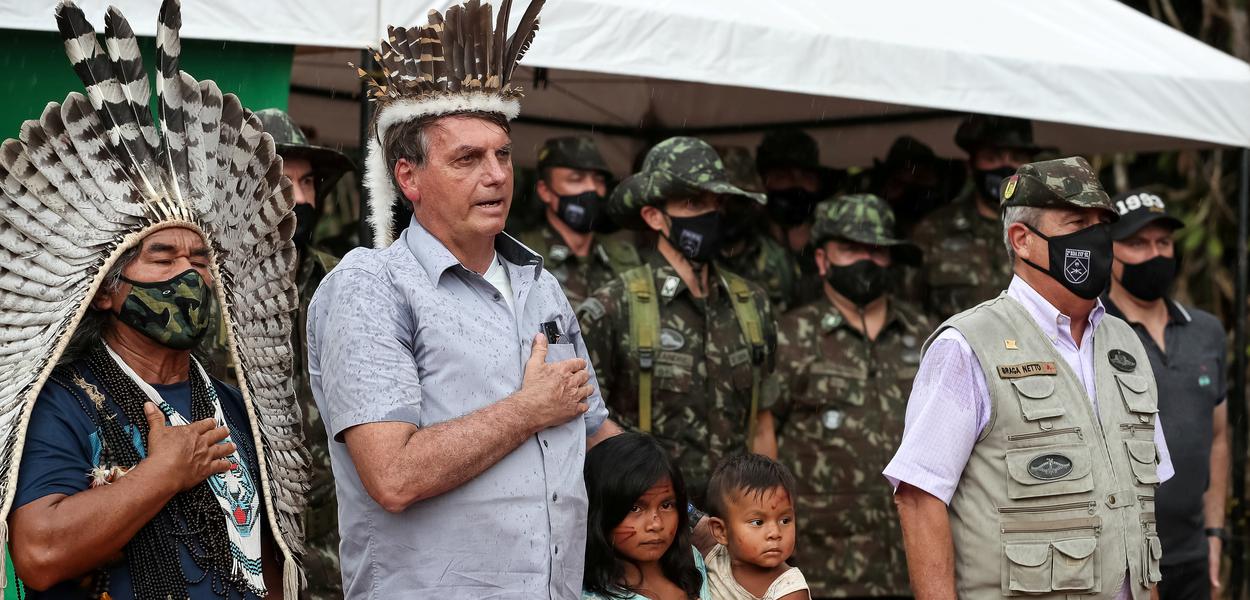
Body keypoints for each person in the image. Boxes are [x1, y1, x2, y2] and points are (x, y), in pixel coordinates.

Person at [307, 2, 619, 597]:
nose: (497, 174)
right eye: (467, 159)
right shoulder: (371, 286)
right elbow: (393, 476)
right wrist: (526, 410)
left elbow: (594, 430)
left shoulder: (538, 282)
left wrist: (696, 517)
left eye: (502, 154)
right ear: (409, 178)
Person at [2, 1, 309, 597]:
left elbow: (269, 559)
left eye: (200, 262)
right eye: (163, 260)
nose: (189, 278)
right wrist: (161, 476)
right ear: (106, 292)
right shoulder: (63, 405)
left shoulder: (230, 402)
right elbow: (38, 554)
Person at [884, 157, 1175, 599]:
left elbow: (1141, 510)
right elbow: (919, 497)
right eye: (1077, 222)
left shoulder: (1125, 345)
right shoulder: (968, 346)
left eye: (1102, 223)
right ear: (1022, 239)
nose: (1096, 238)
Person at [578, 137, 778, 504]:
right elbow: (586, 429)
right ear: (653, 216)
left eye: (717, 204)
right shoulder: (613, 307)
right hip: (651, 528)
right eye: (693, 203)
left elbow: (762, 424)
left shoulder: (752, 305)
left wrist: (763, 514)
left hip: (735, 526)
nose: (711, 215)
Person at [764, 195, 930, 599]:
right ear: (822, 260)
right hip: (822, 569)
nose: (865, 261)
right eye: (850, 249)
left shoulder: (928, 336)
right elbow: (762, 447)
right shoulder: (788, 337)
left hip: (916, 563)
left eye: (876, 251)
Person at [1103, 188, 1228, 599]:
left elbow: (1218, 437)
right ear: (1109, 252)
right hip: (1119, 560)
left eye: (1163, 243)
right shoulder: (1090, 334)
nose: (1154, 255)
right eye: (1137, 243)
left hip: (1192, 551)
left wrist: (1214, 533)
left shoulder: (1206, 331)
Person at [253, 108, 356, 599]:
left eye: (307, 181)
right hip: (236, 545)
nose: (299, 196)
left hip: (338, 548)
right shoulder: (201, 287)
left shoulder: (351, 283)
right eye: (281, 180)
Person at [910, 115, 1043, 321]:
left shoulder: (1049, 229)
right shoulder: (932, 232)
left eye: (1017, 158)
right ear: (971, 165)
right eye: (992, 158)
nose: (1006, 168)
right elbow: (908, 310)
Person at [582, 432, 710, 600]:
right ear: (602, 512)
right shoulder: (591, 596)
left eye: (666, 505)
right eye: (635, 508)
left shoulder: (692, 560)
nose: (656, 525)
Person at [515, 136, 641, 304]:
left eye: (599, 180)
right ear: (545, 191)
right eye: (576, 179)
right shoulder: (523, 255)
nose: (591, 188)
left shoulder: (623, 257)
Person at [703, 453, 809, 600]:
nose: (775, 533)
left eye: (785, 520)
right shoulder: (713, 555)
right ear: (721, 531)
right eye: (758, 522)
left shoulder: (789, 591)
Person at [716, 145, 802, 313]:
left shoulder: (776, 261)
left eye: (737, 200)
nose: (726, 209)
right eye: (719, 200)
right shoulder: (693, 258)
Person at [756, 129, 825, 306]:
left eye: (806, 177)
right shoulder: (746, 245)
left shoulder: (833, 244)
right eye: (783, 176)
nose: (797, 185)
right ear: (764, 182)